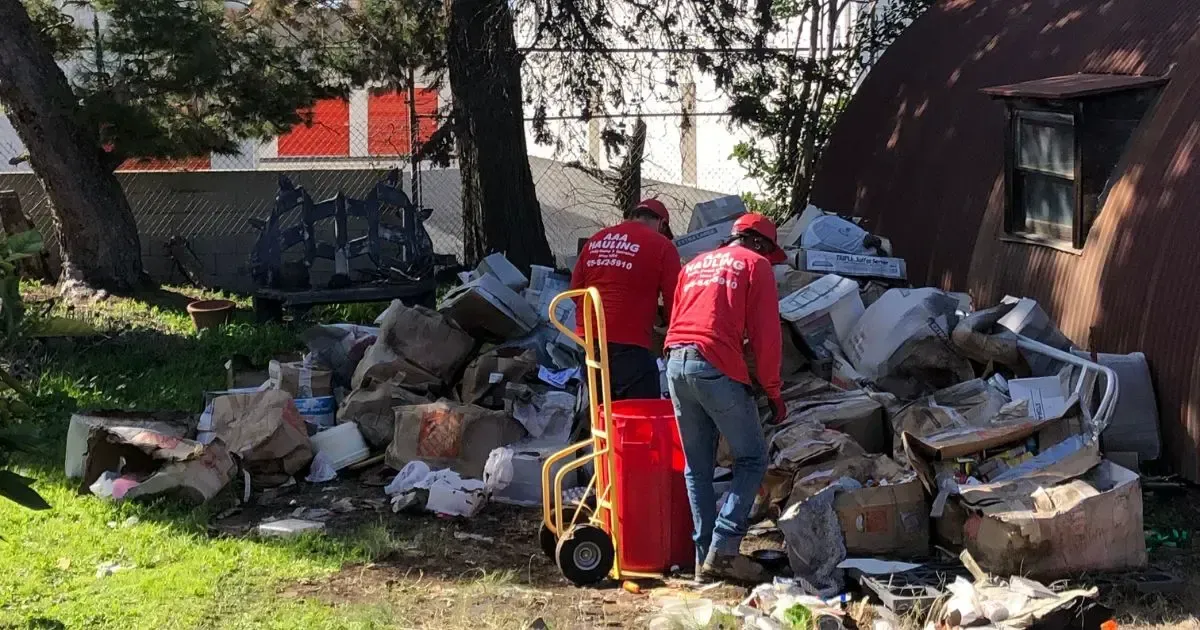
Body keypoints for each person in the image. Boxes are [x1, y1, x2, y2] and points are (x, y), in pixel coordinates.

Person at [663, 213, 787, 583]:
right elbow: (767, 338)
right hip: (713, 363)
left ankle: (705, 564)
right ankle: (725, 545)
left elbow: (678, 318)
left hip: (674, 361)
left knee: (697, 468)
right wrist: (773, 391)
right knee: (752, 459)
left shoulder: (695, 263)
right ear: (761, 244)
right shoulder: (757, 265)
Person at [570, 199, 681, 400]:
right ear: (661, 224)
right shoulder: (662, 245)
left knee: (601, 406)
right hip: (630, 340)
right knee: (642, 408)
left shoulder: (597, 239)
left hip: (588, 337)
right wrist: (670, 333)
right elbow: (675, 299)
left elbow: (575, 290)